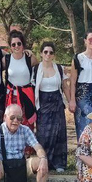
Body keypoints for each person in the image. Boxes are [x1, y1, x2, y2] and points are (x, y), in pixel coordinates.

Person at [33, 42, 68, 173]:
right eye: (46, 52)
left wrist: (71, 102)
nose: (48, 54)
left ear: (54, 55)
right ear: (41, 53)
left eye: (51, 52)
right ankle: (43, 161)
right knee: (43, 134)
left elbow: (65, 86)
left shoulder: (59, 68)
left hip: (57, 102)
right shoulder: (36, 69)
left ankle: (59, 163)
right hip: (42, 104)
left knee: (59, 134)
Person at [3, 30, 39, 131]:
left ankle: (28, 147)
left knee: (26, 125)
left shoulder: (30, 58)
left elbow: (40, 70)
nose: (16, 46)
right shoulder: (6, 60)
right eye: (13, 44)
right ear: (10, 46)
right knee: (11, 124)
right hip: (11, 97)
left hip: (26, 97)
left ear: (23, 44)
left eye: (19, 43)